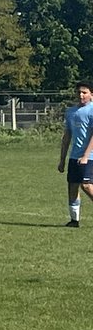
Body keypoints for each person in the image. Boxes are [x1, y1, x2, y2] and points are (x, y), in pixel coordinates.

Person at [57, 80, 93, 227]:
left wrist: (85, 155)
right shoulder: (71, 112)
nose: (81, 95)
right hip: (74, 156)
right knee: (72, 187)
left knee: (86, 185)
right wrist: (62, 160)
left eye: (84, 92)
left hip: (90, 156)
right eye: (79, 92)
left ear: (91, 94)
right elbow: (67, 137)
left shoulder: (91, 110)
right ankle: (74, 220)